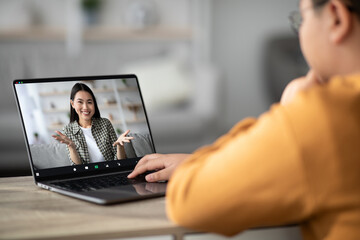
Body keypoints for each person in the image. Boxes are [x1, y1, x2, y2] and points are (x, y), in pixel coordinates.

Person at [128, 0, 360, 239]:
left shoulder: (321, 115)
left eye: (302, 20)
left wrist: (287, 109)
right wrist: (200, 164)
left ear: (336, 18)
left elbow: (187, 201)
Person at [52, 83, 134, 165]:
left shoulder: (105, 124)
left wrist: (120, 146)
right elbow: (78, 168)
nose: (85, 107)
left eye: (89, 102)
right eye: (80, 102)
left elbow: (119, 162)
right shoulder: (68, 130)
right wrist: (72, 147)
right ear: (73, 104)